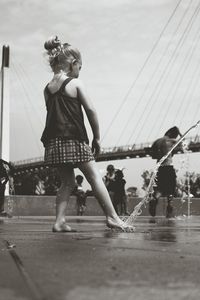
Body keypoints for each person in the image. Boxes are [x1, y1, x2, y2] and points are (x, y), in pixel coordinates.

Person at [41, 36, 134, 232]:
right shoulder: (75, 84)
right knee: (94, 177)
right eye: (80, 67)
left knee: (67, 181)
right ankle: (112, 217)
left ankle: (59, 221)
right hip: (74, 138)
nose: (79, 71)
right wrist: (97, 137)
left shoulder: (47, 89)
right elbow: (91, 111)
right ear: (73, 63)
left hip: (53, 142)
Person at [149, 126, 182, 218]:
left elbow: (153, 155)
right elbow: (184, 142)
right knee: (171, 188)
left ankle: (154, 199)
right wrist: (179, 133)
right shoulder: (172, 141)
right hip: (168, 167)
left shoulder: (157, 141)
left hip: (159, 168)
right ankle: (170, 205)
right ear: (173, 134)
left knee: (160, 188)